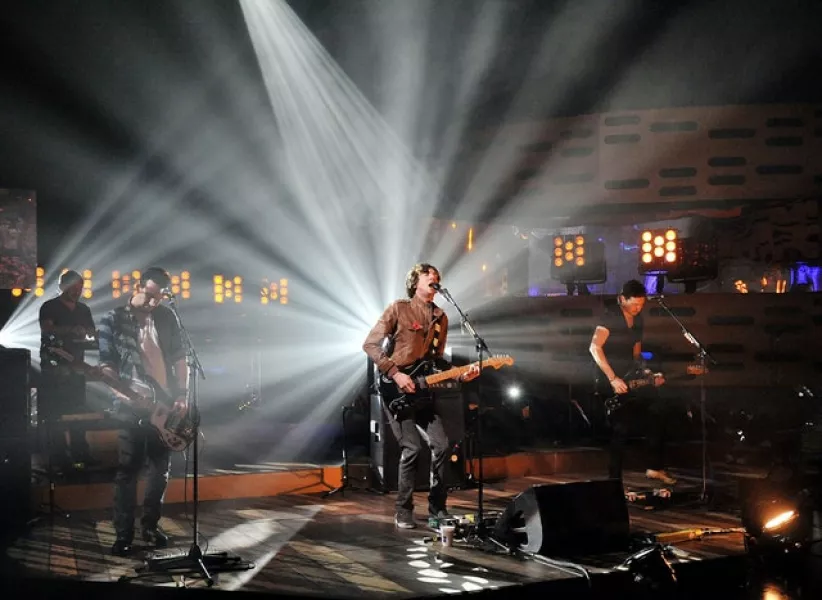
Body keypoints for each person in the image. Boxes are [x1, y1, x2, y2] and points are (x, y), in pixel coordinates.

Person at [363, 263, 480, 529]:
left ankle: (437, 509)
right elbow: (369, 344)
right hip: (396, 388)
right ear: (415, 281)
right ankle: (403, 511)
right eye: (429, 275)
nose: (434, 278)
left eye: (437, 276)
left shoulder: (441, 317)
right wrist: (396, 373)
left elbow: (436, 362)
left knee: (442, 445)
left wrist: (462, 374)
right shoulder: (399, 308)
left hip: (423, 391)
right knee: (412, 448)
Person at [97, 267, 188, 556]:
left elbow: (179, 357)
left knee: (160, 471)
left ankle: (150, 527)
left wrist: (182, 394)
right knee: (128, 472)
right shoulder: (112, 320)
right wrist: (121, 393)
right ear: (135, 287)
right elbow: (106, 365)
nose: (153, 302)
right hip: (130, 405)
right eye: (149, 296)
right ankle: (123, 534)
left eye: (158, 298)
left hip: (164, 404)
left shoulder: (166, 317)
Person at [589, 279, 674, 485]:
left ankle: (655, 467)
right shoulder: (610, 317)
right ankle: (614, 479)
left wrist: (647, 373)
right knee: (621, 427)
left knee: (658, 411)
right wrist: (613, 378)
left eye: (641, 304)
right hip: (609, 378)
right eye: (634, 304)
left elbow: (636, 353)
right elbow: (594, 348)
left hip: (629, 377)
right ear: (622, 299)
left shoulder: (639, 320)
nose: (638, 308)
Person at [38, 269, 96, 471]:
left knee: (78, 411)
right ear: (63, 286)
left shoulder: (84, 309)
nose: (77, 291)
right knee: (57, 413)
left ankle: (80, 455)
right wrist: (71, 330)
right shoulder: (49, 306)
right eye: (73, 287)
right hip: (54, 367)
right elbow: (47, 328)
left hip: (77, 367)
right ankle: (59, 458)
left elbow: (91, 332)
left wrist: (87, 333)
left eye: (80, 287)